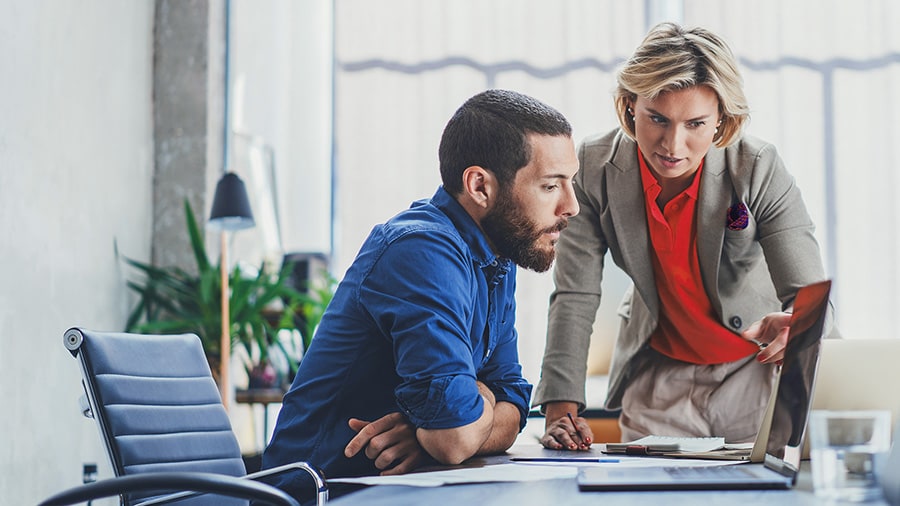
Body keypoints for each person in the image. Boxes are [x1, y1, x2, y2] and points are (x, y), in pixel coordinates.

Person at [261, 89, 579, 499]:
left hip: (397, 490)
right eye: (551, 186)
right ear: (480, 186)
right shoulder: (421, 252)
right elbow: (454, 438)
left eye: (570, 183)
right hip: (318, 495)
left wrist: (426, 429)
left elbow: (514, 402)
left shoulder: (496, 257)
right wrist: (459, 417)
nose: (571, 206)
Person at [533, 22, 834, 451]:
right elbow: (575, 293)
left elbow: (807, 294)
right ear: (630, 106)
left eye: (695, 123)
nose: (672, 144)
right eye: (657, 118)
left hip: (752, 376)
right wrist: (560, 410)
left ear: (721, 121)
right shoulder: (593, 167)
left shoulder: (757, 166)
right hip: (659, 381)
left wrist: (800, 330)